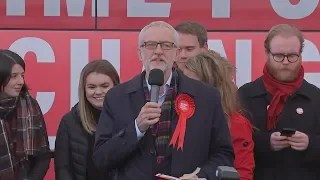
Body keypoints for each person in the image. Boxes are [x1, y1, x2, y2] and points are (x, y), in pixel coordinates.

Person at [93, 21, 234, 180]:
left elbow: (224, 154)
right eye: (151, 45)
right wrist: (137, 128)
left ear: (175, 53)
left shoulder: (206, 96)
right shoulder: (116, 97)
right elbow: (101, 158)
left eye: (166, 45)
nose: (158, 51)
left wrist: (200, 176)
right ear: (140, 53)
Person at [238, 24, 320, 180]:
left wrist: (310, 143)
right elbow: (232, 142)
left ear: (301, 55)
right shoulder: (246, 94)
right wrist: (266, 142)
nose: (286, 61)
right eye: (279, 55)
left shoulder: (315, 96)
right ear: (267, 53)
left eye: (292, 55)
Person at [180, 51, 255, 180]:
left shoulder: (235, 123)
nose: (187, 88)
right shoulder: (179, 116)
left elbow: (243, 174)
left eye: (193, 84)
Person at [54, 59, 120, 180]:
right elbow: (63, 168)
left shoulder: (128, 118)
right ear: (83, 89)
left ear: (116, 86)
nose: (98, 92)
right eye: (92, 87)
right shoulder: (69, 121)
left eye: (105, 86)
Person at [0, 49, 51, 180]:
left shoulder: (30, 106)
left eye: (22, 75)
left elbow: (43, 156)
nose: (21, 81)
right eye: (14, 76)